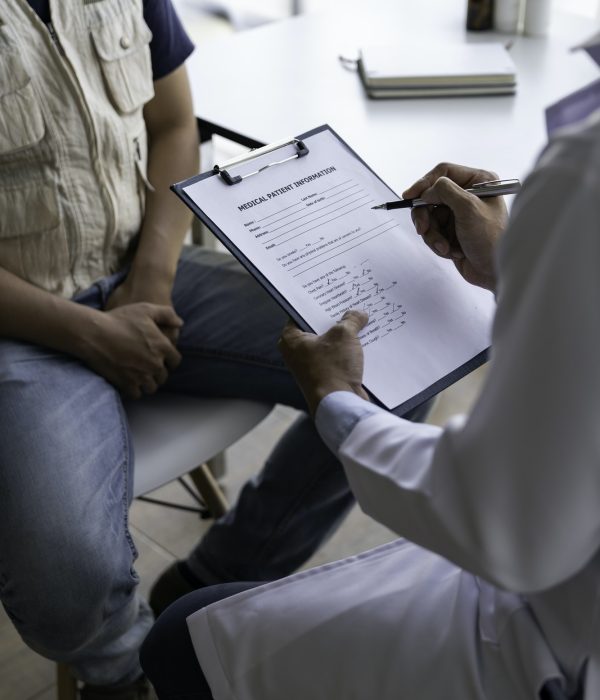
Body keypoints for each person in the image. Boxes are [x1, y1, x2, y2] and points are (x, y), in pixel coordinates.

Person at [0, 2, 429, 699]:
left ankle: (211, 584)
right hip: (18, 329)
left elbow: (173, 125)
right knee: (63, 581)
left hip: (144, 273)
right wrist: (88, 333)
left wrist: (151, 279)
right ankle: (125, 675)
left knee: (397, 353)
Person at [139, 74, 600, 699]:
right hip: (561, 571)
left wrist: (339, 402)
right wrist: (515, 270)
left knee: (177, 643)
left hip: (554, 634)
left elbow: (502, 521)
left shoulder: (581, 169)